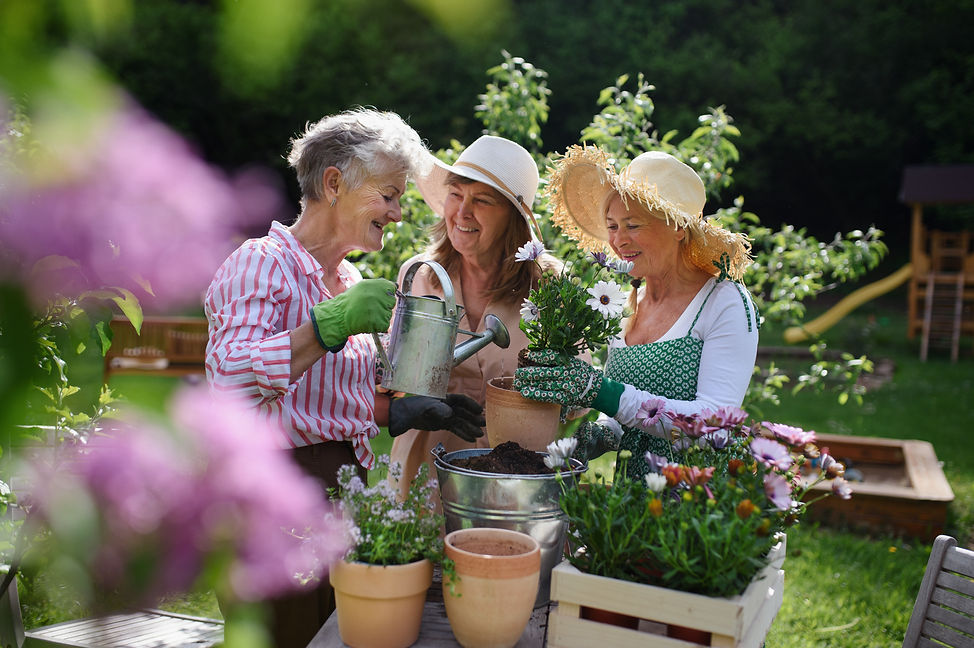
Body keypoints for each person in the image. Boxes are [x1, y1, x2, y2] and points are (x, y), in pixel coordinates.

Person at [204, 108, 484, 648]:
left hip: (336, 498)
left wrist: (397, 410)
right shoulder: (262, 263)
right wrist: (328, 324)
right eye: (388, 194)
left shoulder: (348, 278)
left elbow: (321, 398)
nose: (398, 212)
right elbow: (231, 382)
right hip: (271, 503)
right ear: (334, 184)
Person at [514, 146, 759, 480]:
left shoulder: (723, 301)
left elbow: (713, 421)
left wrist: (600, 391)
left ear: (678, 227)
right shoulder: (629, 303)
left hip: (698, 505)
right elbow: (626, 415)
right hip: (630, 511)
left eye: (633, 225)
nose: (618, 241)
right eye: (612, 226)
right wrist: (599, 433)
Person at [389, 135, 562, 501]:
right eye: (456, 194)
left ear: (514, 219)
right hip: (426, 471)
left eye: (482, 200)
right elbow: (392, 379)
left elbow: (574, 400)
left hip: (517, 476)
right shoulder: (420, 276)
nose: (462, 212)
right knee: (420, 557)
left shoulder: (549, 286)